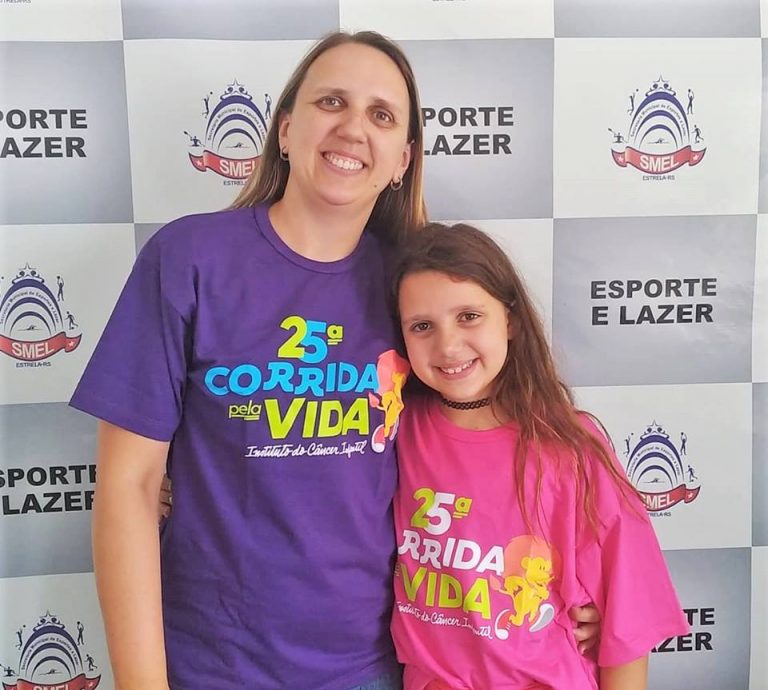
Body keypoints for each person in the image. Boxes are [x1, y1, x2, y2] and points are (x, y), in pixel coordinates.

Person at [70, 31, 598, 689]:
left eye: (381, 115)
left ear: (403, 159)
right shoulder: (187, 259)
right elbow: (129, 487)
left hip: (374, 667)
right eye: (331, 102)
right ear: (286, 130)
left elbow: (482, 454)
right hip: (211, 665)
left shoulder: (415, 291)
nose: (353, 128)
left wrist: (562, 592)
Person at [388, 223, 689, 690]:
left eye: (469, 316)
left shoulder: (570, 444)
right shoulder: (395, 431)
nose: (447, 346)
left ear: (509, 319)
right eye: (422, 326)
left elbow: (628, 622)